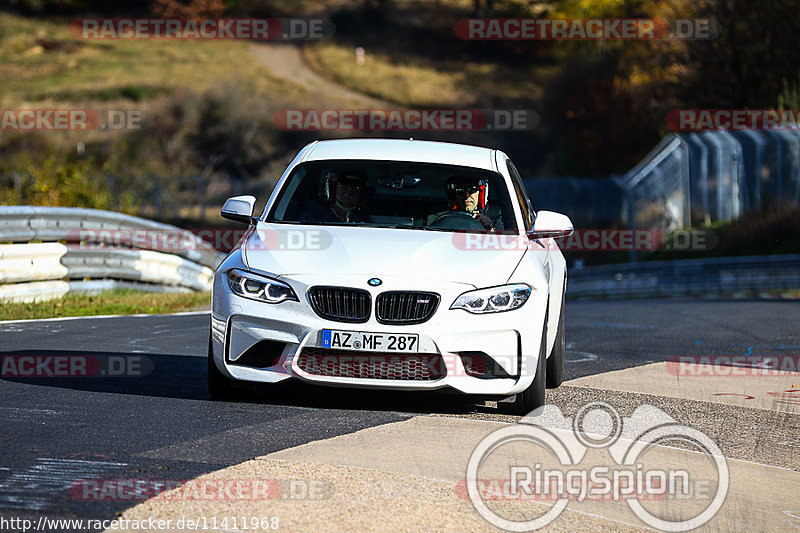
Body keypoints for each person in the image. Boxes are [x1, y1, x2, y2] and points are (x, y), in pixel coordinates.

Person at [426, 175, 503, 231]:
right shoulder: (434, 220)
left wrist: (490, 230)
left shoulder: (497, 221)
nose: (466, 196)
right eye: (460, 191)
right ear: (453, 195)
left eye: (472, 189)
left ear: (481, 194)